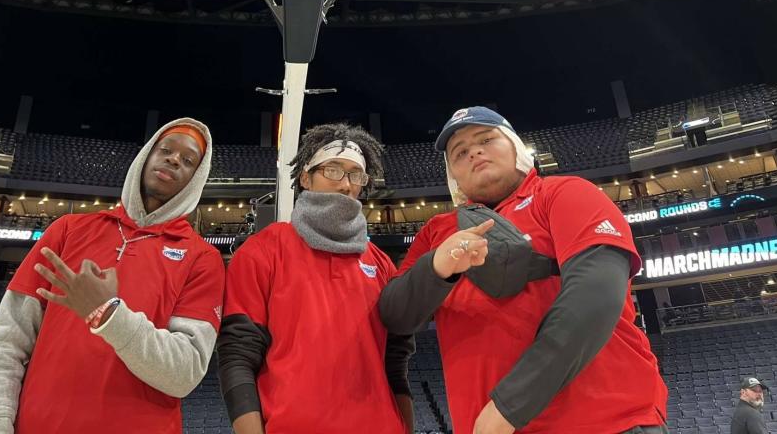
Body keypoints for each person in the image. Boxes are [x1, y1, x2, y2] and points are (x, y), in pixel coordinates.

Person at [379, 106, 668, 434]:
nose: (474, 151)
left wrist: (509, 407)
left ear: (516, 147)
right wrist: (436, 268)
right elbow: (394, 315)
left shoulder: (565, 193)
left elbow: (595, 298)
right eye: (459, 153)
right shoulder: (436, 232)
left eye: (486, 139)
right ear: (453, 176)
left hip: (606, 422)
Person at [0, 119, 225, 434]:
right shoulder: (67, 230)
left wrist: (110, 315)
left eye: (188, 160)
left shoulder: (203, 259)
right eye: (166, 150)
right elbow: (6, 342)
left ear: (195, 179)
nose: (174, 159)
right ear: (145, 156)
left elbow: (184, 372)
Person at [217, 122, 414, 434]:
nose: (346, 184)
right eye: (333, 170)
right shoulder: (263, 250)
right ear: (306, 178)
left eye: (355, 174)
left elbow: (396, 359)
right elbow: (238, 354)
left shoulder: (381, 263)